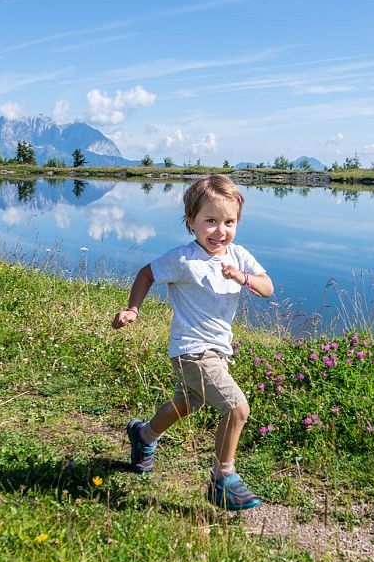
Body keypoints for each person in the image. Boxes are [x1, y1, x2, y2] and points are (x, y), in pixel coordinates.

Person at [112, 174, 274, 511]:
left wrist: (242, 277)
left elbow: (267, 287)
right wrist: (132, 309)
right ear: (191, 221)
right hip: (191, 350)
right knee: (236, 407)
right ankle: (222, 480)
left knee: (187, 403)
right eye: (210, 221)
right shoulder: (183, 259)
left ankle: (143, 436)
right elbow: (146, 274)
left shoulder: (239, 256)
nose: (220, 231)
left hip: (218, 350)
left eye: (229, 222)